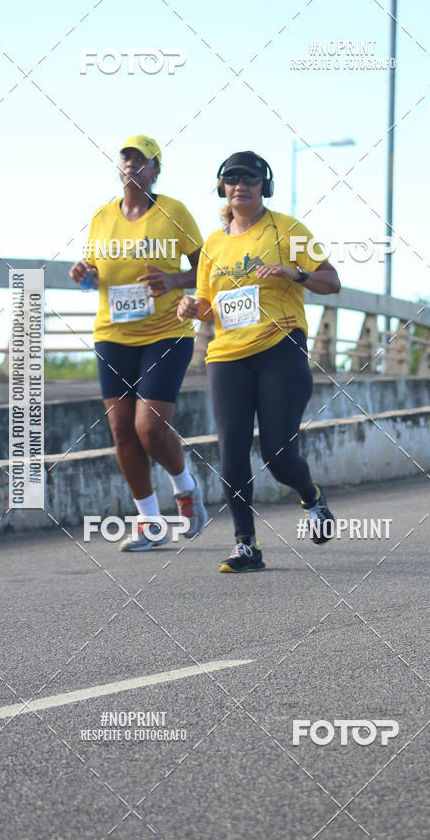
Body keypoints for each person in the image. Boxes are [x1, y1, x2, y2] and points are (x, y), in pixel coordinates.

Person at [177, 150, 341, 573]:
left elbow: (332, 281)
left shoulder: (287, 228)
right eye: (232, 178)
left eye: (250, 178)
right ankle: (246, 545)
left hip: (279, 348)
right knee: (231, 452)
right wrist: (192, 307)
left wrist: (295, 273)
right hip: (227, 357)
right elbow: (209, 306)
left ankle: (311, 497)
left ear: (264, 186)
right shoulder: (213, 245)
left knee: (278, 456)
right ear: (222, 187)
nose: (240, 186)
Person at [70, 135, 207, 551]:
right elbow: (96, 272)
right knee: (121, 430)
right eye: (126, 158)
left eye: (141, 160)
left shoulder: (174, 212)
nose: (132, 165)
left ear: (156, 169)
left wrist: (174, 280)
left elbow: (207, 267)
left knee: (149, 427)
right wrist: (84, 274)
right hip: (113, 333)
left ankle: (186, 490)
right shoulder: (101, 216)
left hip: (166, 331)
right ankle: (149, 522)